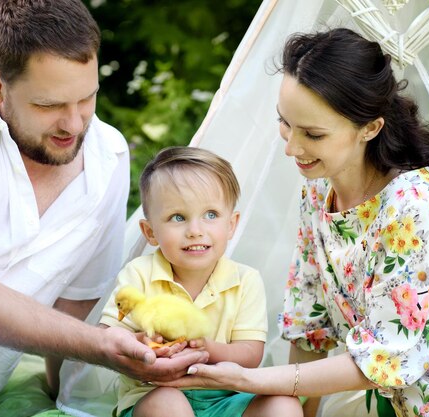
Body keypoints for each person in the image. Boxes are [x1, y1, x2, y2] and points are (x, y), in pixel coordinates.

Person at [0, 1, 207, 416]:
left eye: (87, 99)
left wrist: (69, 397)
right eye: (48, 106)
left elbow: (74, 309)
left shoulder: (108, 156)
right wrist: (103, 347)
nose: (73, 125)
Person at [158, 28, 429, 417]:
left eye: (313, 134)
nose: (291, 147)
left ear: (370, 129)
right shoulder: (319, 190)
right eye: (285, 123)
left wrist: (247, 379)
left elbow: (388, 357)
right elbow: (312, 323)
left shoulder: (412, 204)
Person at [99, 146, 303, 417]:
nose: (195, 231)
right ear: (151, 232)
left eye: (210, 215)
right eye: (178, 217)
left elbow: (251, 354)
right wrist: (139, 342)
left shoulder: (245, 281)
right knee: (168, 406)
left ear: (231, 225)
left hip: (227, 397)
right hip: (154, 393)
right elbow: (107, 334)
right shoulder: (139, 273)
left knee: (284, 406)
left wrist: (208, 350)